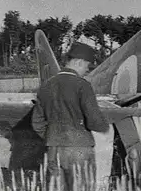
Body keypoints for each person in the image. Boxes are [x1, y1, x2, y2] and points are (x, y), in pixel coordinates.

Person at [32, 42, 109, 191]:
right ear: (79, 62)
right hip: (79, 149)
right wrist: (105, 127)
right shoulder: (82, 85)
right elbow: (94, 121)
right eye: (87, 66)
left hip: (53, 149)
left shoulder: (46, 86)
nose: (87, 71)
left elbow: (37, 123)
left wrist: (53, 137)